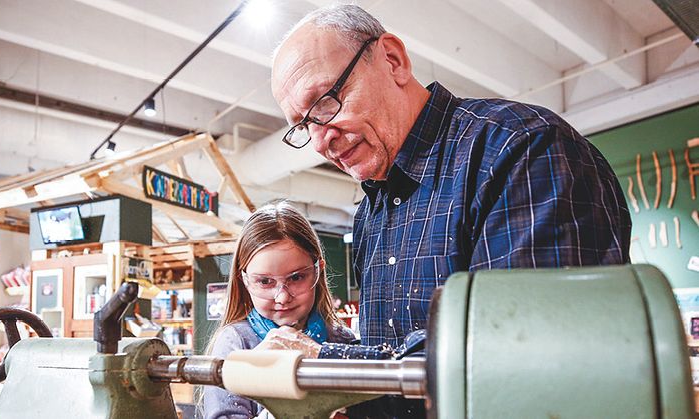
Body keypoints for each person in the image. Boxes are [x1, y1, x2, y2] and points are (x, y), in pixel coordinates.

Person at [265, 3, 632, 417]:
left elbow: (521, 349)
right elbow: (394, 353)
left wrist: (323, 364)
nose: (318, 142)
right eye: (302, 125)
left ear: (393, 60)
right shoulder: (371, 213)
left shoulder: (519, 150)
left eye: (327, 101)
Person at [201, 201, 355, 419]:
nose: (282, 297)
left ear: (318, 270)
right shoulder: (236, 344)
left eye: (296, 277)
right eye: (265, 281)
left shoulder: (341, 339)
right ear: (244, 280)